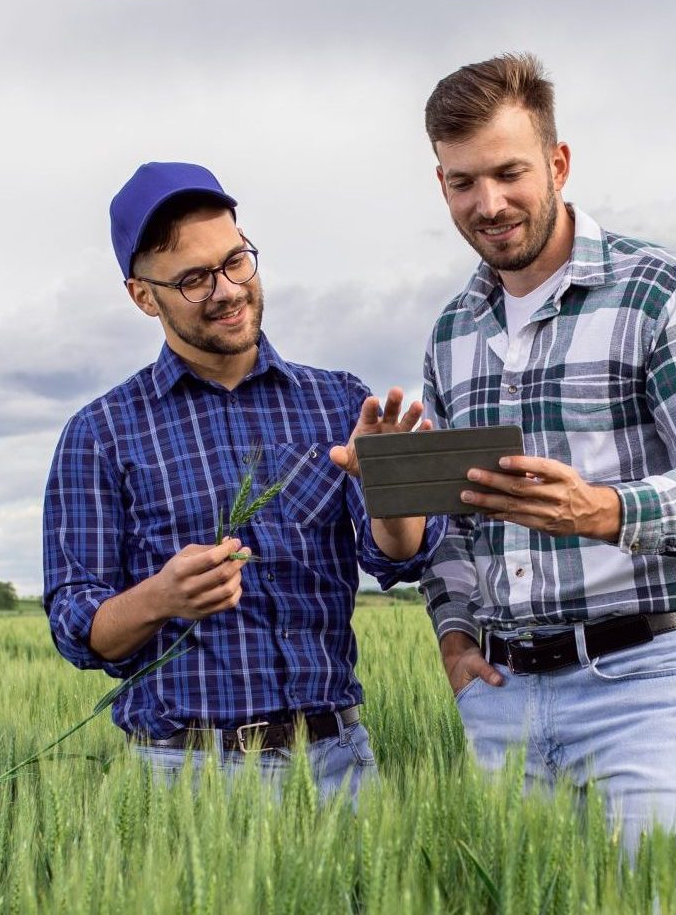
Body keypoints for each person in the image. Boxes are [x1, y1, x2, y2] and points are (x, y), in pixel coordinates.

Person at [415, 54, 676, 883]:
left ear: (558, 163)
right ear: (442, 185)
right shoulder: (451, 332)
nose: (489, 203)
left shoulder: (662, 292)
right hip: (503, 693)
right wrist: (454, 637)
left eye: (509, 172)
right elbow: (455, 526)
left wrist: (605, 510)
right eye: (464, 181)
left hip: (646, 684)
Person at [43, 161, 442, 800]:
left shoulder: (339, 402)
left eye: (236, 261)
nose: (228, 290)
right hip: (183, 777)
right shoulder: (99, 433)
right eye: (195, 279)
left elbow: (400, 557)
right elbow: (75, 623)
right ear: (143, 295)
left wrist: (392, 488)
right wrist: (161, 598)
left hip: (339, 762)